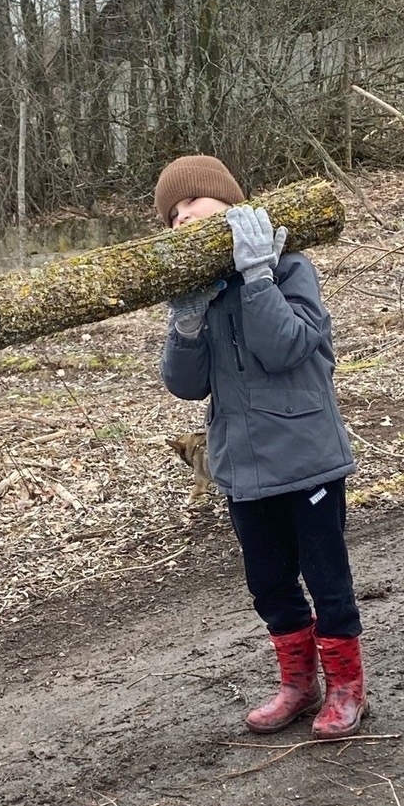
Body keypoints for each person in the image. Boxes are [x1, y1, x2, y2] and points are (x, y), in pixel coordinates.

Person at [155, 153, 363, 736]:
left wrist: (258, 276)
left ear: (231, 203)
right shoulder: (199, 289)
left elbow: (286, 346)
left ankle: (347, 687)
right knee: (268, 582)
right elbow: (185, 385)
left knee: (326, 575)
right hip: (241, 467)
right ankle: (299, 684)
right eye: (171, 216)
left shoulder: (290, 267)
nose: (183, 219)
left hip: (307, 456)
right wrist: (187, 325)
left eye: (192, 202)